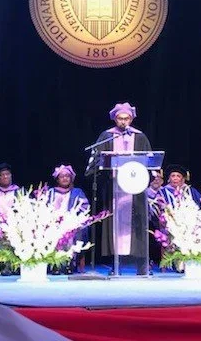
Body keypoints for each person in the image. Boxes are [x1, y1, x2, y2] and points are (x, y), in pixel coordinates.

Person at [87, 102, 152, 275]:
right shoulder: (107, 136)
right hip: (114, 189)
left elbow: (150, 160)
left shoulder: (140, 137)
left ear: (131, 119)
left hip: (136, 190)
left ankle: (142, 265)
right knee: (113, 225)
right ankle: (116, 265)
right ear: (115, 119)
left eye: (126, 118)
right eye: (120, 118)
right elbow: (97, 160)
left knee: (138, 226)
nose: (123, 122)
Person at [47, 165, 90, 274]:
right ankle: (55, 264)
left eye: (67, 176)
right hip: (54, 223)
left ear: (71, 178)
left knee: (74, 231)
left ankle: (69, 263)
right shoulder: (51, 192)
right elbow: (44, 207)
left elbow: (84, 208)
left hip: (71, 223)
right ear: (57, 179)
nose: (65, 178)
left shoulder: (77, 192)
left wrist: (72, 219)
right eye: (62, 176)